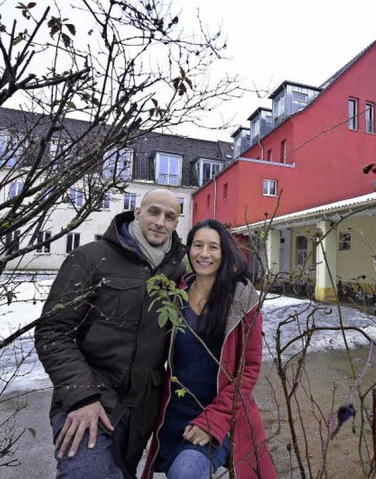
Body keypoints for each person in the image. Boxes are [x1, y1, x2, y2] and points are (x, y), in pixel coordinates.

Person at [35, 188, 186, 478]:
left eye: (170, 216)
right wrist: (81, 397)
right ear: (137, 213)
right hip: (87, 400)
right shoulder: (91, 258)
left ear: (176, 223)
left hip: (139, 413)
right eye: (153, 212)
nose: (160, 222)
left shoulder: (176, 272)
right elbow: (53, 331)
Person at [142, 219, 278, 479]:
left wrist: (214, 419)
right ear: (188, 250)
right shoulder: (173, 296)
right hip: (174, 415)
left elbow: (248, 370)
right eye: (198, 245)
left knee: (186, 471)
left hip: (221, 414)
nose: (204, 254)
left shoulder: (242, 300)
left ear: (224, 252)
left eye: (213, 247)